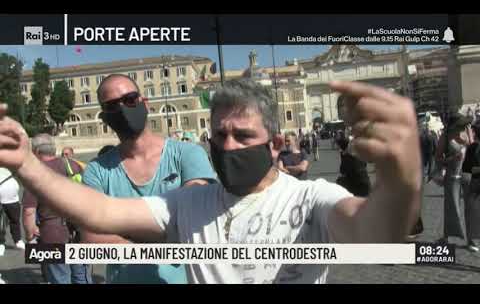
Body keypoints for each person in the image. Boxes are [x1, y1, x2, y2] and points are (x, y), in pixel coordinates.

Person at [0, 79, 422, 284]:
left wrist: (401, 179)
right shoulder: (186, 205)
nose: (230, 145)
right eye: (220, 135)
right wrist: (27, 165)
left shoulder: (314, 197)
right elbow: (99, 212)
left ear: (275, 144)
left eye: (244, 136)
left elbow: (376, 230)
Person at [81, 74, 217, 284]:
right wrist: (165, 236)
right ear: (105, 116)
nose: (123, 109)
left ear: (144, 103)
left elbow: (193, 222)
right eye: (112, 105)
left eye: (129, 99)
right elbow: (92, 241)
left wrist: (122, 232)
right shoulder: (96, 170)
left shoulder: (188, 154)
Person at [22, 134, 91, 284]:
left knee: (60, 278)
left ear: (36, 152)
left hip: (51, 233)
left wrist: (29, 237)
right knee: (81, 276)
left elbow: (29, 212)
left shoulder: (34, 174)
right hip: (79, 229)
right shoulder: (73, 165)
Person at [435, 113, 471, 244]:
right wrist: (452, 158)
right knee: (452, 207)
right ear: (454, 125)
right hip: (452, 176)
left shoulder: (468, 132)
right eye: (461, 124)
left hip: (468, 175)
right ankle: (446, 237)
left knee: (472, 207)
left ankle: (472, 240)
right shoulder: (445, 137)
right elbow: (438, 159)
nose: (464, 126)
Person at [461, 122, 480, 252]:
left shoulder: (473, 147)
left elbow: (466, 168)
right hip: (474, 183)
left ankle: (472, 241)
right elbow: (467, 168)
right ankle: (472, 240)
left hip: (474, 182)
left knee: (471, 212)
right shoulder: (473, 147)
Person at [0, 167, 24, 256]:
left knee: (15, 221)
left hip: (13, 199)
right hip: (1, 200)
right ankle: (1, 243)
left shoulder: (10, 164)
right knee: (1, 224)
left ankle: (17, 240)